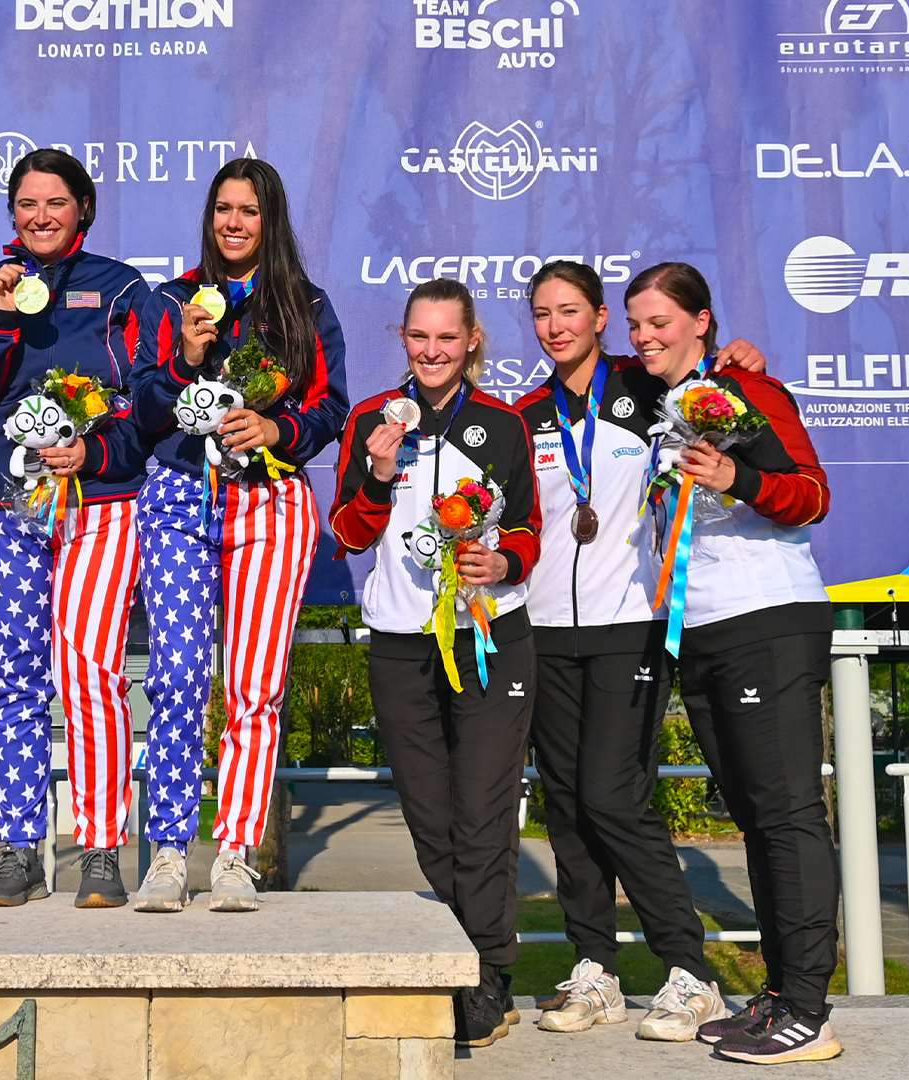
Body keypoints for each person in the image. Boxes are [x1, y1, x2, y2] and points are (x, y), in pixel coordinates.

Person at [514, 260, 744, 1040]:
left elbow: (716, 394)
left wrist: (736, 362)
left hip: (629, 623)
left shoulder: (648, 392)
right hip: (545, 628)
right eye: (542, 313)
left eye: (570, 311)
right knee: (570, 807)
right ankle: (597, 971)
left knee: (614, 793)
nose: (556, 327)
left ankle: (691, 971)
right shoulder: (524, 414)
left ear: (601, 317)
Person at [620, 263, 842, 1065]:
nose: (645, 336)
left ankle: (811, 1012)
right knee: (754, 817)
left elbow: (811, 493)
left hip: (768, 617)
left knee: (786, 814)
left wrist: (737, 475)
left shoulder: (747, 392)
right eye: (635, 324)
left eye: (660, 322)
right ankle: (781, 994)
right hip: (703, 628)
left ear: (702, 321)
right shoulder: (659, 404)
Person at [129, 157, 349, 913]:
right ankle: (165, 852)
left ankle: (235, 853)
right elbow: (143, 409)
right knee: (177, 678)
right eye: (223, 208)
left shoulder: (306, 306)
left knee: (256, 689)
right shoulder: (171, 300)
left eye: (248, 211)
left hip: (269, 502)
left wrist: (277, 426)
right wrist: (186, 357)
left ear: (270, 220)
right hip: (180, 497)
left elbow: (331, 409)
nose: (233, 222)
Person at [327, 278, 540, 1046]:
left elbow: (530, 532)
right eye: (420, 337)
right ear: (403, 338)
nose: (433, 351)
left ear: (472, 340)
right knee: (430, 820)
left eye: (447, 338)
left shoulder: (504, 424)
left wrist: (502, 563)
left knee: (483, 815)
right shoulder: (371, 421)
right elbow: (348, 532)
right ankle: (463, 965)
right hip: (402, 640)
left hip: (488, 636)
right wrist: (379, 476)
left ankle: (487, 979)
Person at [0, 148, 153, 909]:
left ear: (83, 210)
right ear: (12, 215)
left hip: (99, 502)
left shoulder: (120, 288)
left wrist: (95, 449)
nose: (40, 217)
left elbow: (150, 402)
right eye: (27, 204)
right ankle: (19, 848)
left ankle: (100, 848)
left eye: (55, 204)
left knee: (91, 670)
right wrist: (1, 321)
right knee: (14, 677)